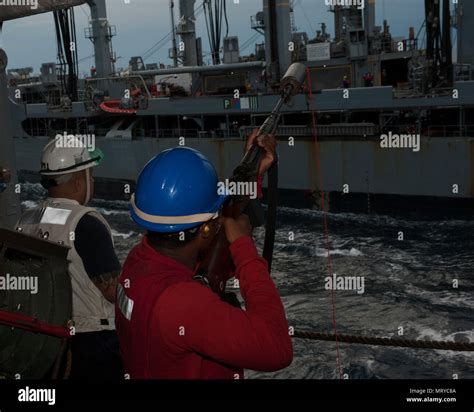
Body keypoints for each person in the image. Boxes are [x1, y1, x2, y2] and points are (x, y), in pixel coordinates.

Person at [116, 132, 293, 379]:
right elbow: (277, 347)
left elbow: (210, 242)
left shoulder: (137, 263)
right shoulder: (184, 303)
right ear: (206, 229)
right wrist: (243, 246)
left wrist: (252, 174)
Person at [15, 138, 123, 381]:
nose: (92, 181)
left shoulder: (26, 219)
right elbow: (112, 291)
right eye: (90, 175)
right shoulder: (86, 223)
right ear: (77, 182)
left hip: (42, 340)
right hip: (92, 342)